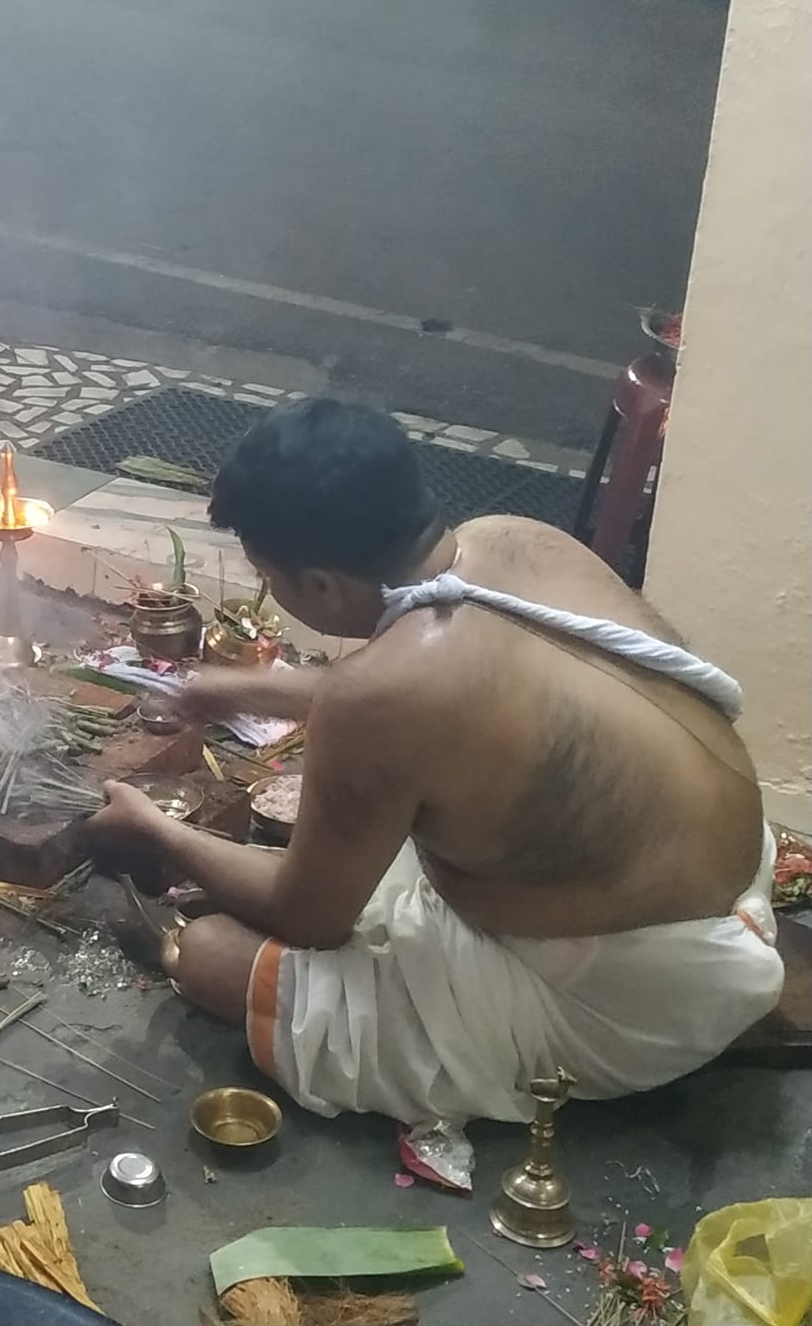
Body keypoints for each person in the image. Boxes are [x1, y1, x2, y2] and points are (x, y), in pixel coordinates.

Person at [82, 399, 782, 1125]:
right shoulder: (513, 539)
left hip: (631, 1003)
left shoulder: (386, 694)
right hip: (714, 880)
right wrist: (244, 688)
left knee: (205, 954)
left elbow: (308, 914)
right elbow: (444, 694)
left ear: (319, 584)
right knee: (368, 838)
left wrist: (161, 832)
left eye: (273, 578)